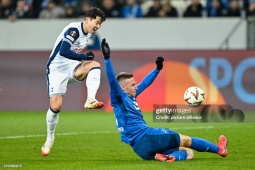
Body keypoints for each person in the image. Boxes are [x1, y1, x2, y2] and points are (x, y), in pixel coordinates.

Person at [100, 38, 228, 162]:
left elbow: (145, 83)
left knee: (188, 153)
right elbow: (112, 80)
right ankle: (220, 149)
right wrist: (107, 59)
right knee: (187, 141)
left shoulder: (130, 96)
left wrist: (157, 69)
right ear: (122, 87)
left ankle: (169, 157)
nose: (136, 86)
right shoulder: (119, 98)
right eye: (132, 85)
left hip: (140, 150)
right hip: (148, 136)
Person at [41, 7, 106, 156]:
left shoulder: (88, 34)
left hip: (72, 67)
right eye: (97, 22)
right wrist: (84, 57)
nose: (98, 26)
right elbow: (63, 51)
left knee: (95, 65)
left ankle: (90, 99)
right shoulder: (74, 30)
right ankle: (50, 139)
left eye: (100, 24)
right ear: (88, 19)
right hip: (56, 69)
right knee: (56, 107)